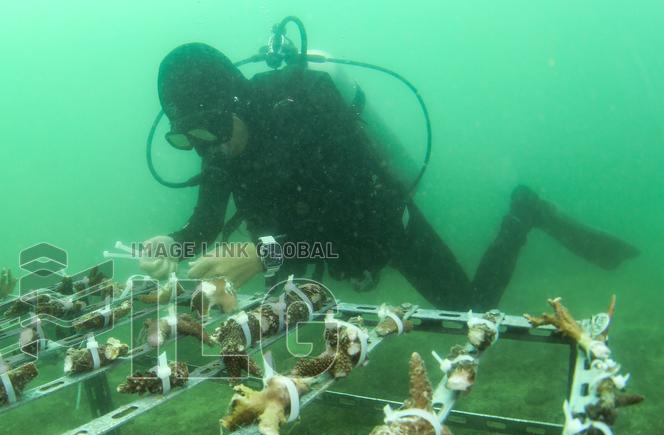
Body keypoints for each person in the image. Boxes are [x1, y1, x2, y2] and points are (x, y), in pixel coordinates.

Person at [140, 43, 638, 309]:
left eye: (212, 129)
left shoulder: (307, 104)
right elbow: (204, 225)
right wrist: (172, 242)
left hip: (380, 226)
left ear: (234, 101)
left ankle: (522, 216)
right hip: (300, 245)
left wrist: (267, 251)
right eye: (190, 138)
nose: (210, 148)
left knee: (473, 306)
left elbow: (358, 215)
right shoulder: (219, 141)